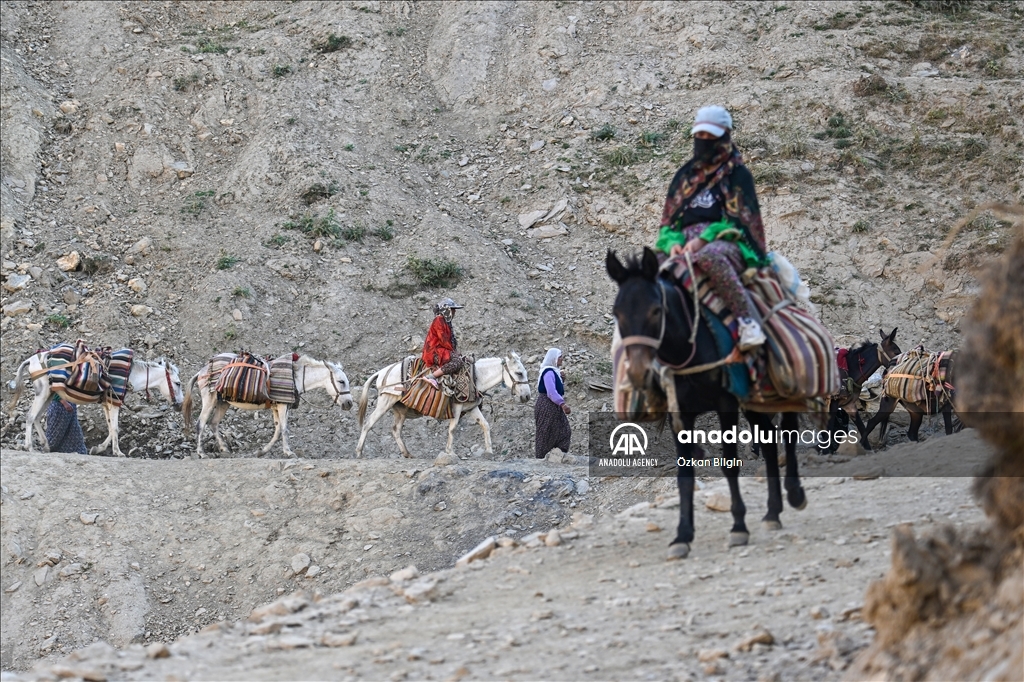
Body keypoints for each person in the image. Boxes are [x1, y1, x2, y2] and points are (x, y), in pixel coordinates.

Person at [655, 104, 768, 351]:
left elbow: (738, 220)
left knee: (709, 256)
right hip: (683, 244)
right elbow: (669, 223)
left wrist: (703, 240)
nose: (704, 141)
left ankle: (746, 321)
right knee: (649, 265)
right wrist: (672, 243)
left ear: (725, 136)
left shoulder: (738, 176)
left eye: (711, 136)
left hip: (728, 242)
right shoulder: (685, 176)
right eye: (700, 136)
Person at [421, 297, 466, 389]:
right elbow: (444, 340)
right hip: (434, 351)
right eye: (452, 310)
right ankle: (431, 377)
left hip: (442, 349)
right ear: (446, 309)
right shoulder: (439, 320)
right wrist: (454, 352)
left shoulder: (445, 322)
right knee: (457, 361)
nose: (454, 312)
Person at [534, 348, 571, 459]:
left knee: (564, 430)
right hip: (546, 405)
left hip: (553, 406)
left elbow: (556, 388)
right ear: (554, 359)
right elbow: (551, 392)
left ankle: (557, 456)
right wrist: (562, 404)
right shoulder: (549, 372)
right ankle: (541, 458)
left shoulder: (554, 372)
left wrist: (562, 380)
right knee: (545, 432)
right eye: (560, 357)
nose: (562, 359)